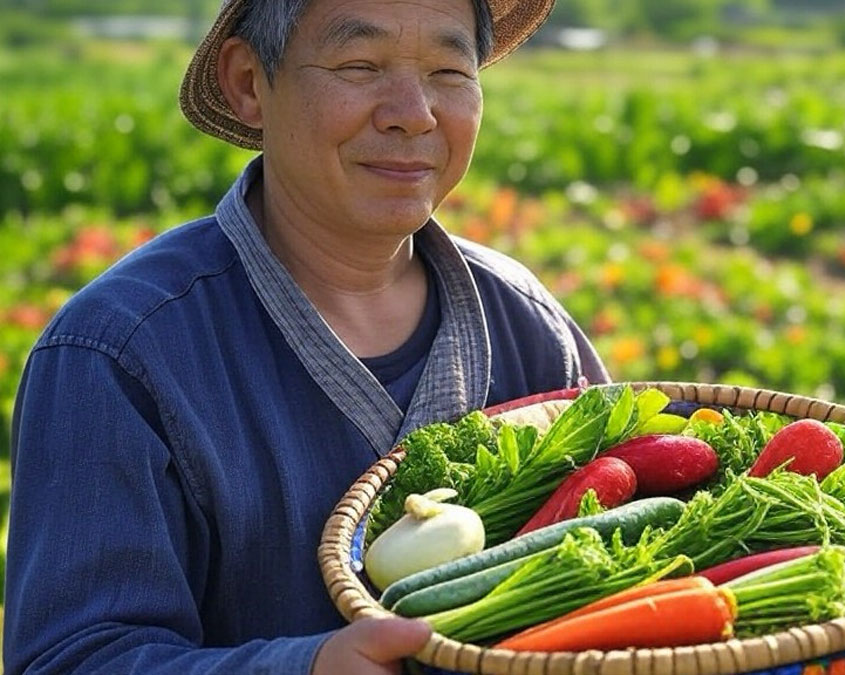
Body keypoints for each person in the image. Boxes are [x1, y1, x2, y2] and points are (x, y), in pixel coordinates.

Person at [3, 0, 608, 672]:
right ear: (247, 82)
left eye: (448, 70)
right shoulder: (118, 353)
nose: (414, 111)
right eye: (359, 64)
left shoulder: (528, 323)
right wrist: (308, 665)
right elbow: (72, 658)